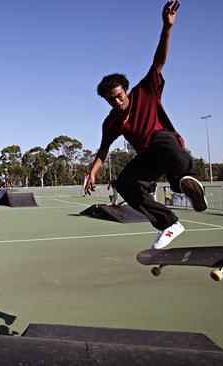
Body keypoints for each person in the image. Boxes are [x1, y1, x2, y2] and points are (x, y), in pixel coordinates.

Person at [85, 0, 207, 249]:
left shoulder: (145, 91)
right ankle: (168, 224)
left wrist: (167, 27)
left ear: (126, 91)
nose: (117, 102)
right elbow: (103, 150)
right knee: (124, 183)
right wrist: (92, 173)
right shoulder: (111, 122)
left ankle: (189, 182)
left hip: (167, 144)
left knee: (161, 139)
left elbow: (159, 60)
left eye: (119, 96)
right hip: (149, 158)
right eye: (111, 100)